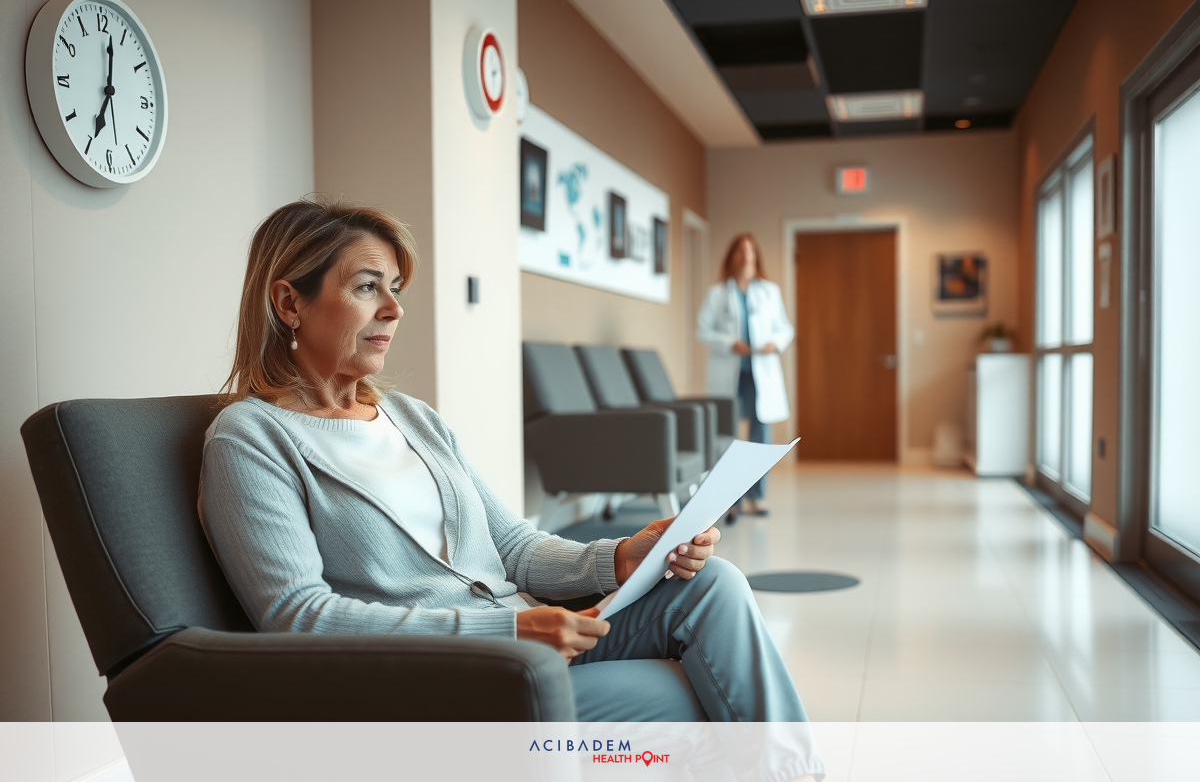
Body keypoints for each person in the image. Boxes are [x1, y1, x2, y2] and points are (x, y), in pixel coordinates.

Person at [197, 197, 820, 763]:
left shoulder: (412, 418)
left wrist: (622, 558)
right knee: (697, 690)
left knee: (712, 583)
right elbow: (298, 616)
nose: (394, 308)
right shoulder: (252, 438)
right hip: (455, 678)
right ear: (288, 303)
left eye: (394, 287)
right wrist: (510, 629)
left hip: (528, 638)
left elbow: (515, 548)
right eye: (367, 287)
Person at [697, 233, 795, 516]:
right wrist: (730, 343)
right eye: (740, 251)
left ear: (756, 257)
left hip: (759, 374)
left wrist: (773, 343)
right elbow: (702, 331)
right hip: (730, 373)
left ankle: (758, 496)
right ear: (732, 257)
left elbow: (784, 328)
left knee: (759, 436)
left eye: (750, 251)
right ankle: (731, 499)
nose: (745, 256)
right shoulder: (717, 294)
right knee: (728, 436)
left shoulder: (769, 291)